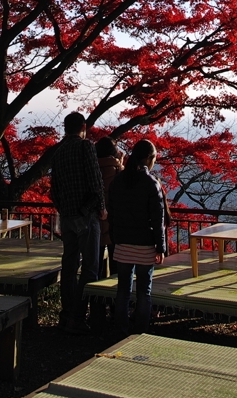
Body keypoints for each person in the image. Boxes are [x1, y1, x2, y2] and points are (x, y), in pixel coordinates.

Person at [49, 112, 106, 335]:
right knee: (91, 267)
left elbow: (53, 190)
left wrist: (64, 209)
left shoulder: (58, 151)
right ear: (83, 126)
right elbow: (95, 180)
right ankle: (78, 317)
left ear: (65, 128)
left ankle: (66, 314)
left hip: (67, 218)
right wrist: (100, 207)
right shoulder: (86, 147)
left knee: (69, 267)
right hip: (86, 215)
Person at [108, 138, 167, 337]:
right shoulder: (151, 183)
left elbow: (112, 211)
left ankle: (120, 330)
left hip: (123, 243)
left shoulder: (118, 180)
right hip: (145, 244)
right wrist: (161, 247)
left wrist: (116, 237)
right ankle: (140, 331)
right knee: (144, 291)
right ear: (149, 158)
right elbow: (158, 219)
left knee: (123, 291)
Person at [96, 136, 124, 278]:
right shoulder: (117, 169)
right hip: (114, 223)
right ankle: (113, 297)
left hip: (96, 221)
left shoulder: (92, 168)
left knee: (96, 265)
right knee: (116, 266)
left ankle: (94, 297)